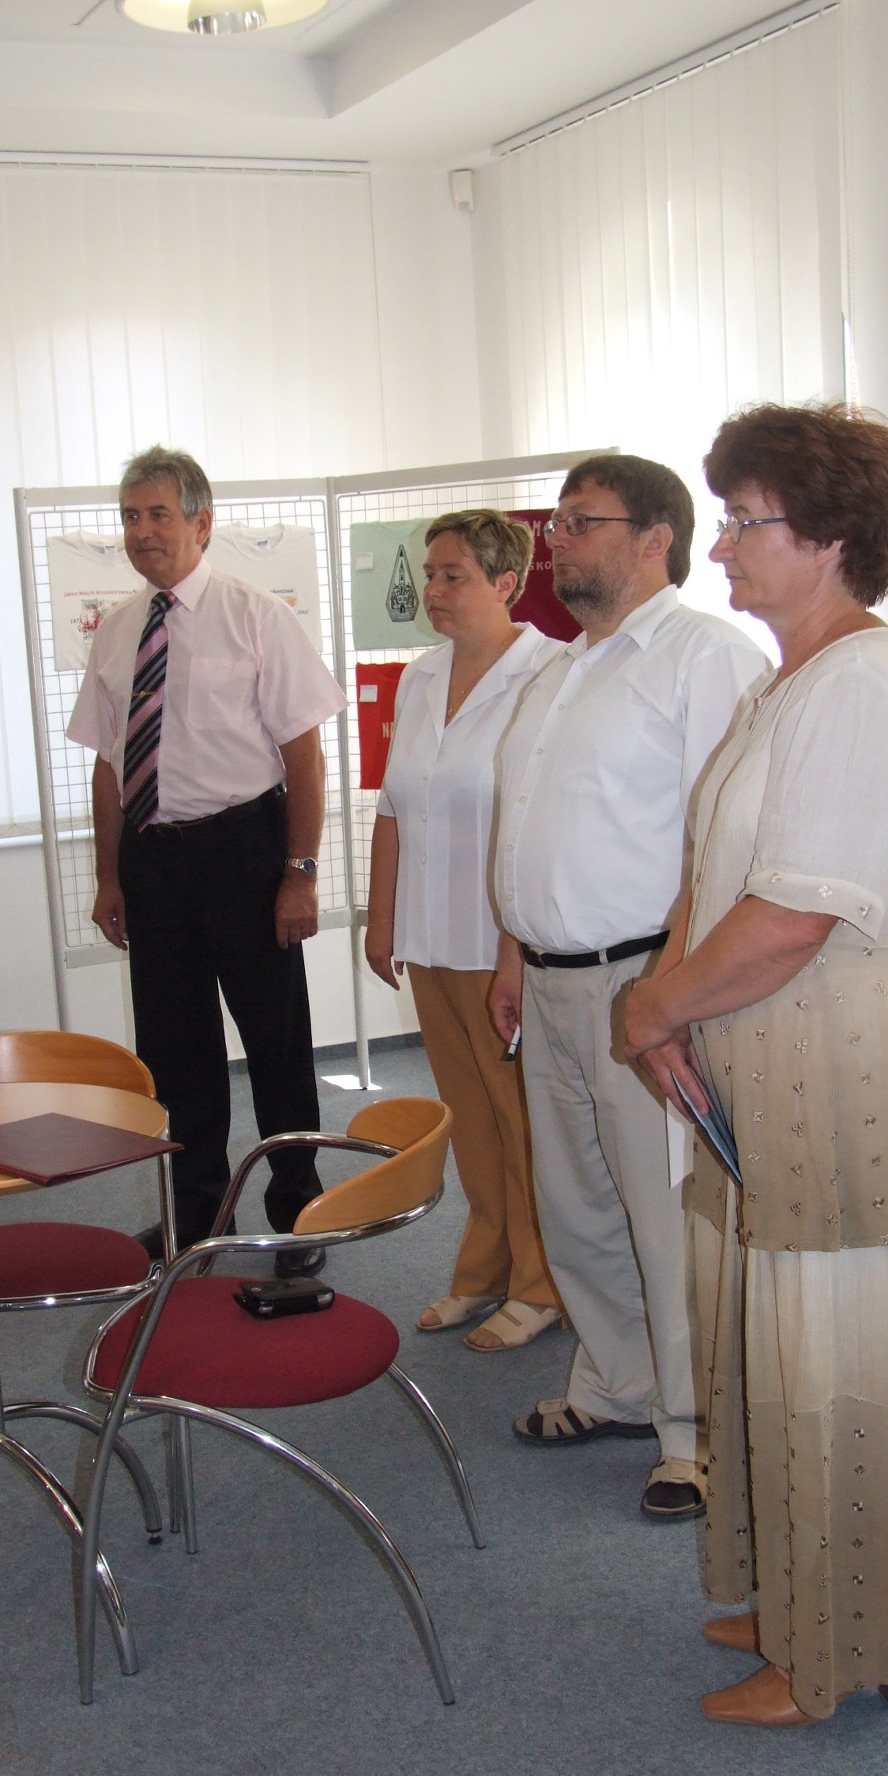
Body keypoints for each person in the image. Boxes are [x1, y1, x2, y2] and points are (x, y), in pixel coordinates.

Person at [623, 402, 888, 1724]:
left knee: (840, 1370)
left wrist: (652, 1006)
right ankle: (797, 1605)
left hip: (833, 1073)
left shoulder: (861, 686)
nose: (718, 547)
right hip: (758, 1065)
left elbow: (791, 918)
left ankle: (833, 1656)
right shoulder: (792, 679)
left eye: (742, 521)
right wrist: (674, 1006)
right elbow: (718, 880)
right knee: (771, 1360)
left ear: (824, 536)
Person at [489, 454, 768, 1518]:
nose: (556, 540)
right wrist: (513, 953)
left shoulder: (707, 658)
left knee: (666, 1214)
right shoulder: (559, 669)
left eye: (581, 521)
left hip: (648, 979)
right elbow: (530, 825)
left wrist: (677, 993)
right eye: (557, 523)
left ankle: (693, 1435)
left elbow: (722, 842)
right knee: (578, 1207)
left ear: (656, 539)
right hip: (550, 980)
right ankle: (613, 1384)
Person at [67, 446, 346, 1265]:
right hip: (153, 859)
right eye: (130, 517)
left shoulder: (255, 615)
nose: (142, 532)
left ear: (202, 523)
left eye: (159, 515)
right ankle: (195, 1218)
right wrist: (109, 876)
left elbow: (305, 757)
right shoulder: (119, 629)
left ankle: (297, 1213)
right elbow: (109, 764)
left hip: (245, 850)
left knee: (276, 1044)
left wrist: (299, 874)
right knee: (174, 1054)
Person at [364, 510, 565, 1351]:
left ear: (507, 583)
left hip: (502, 943)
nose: (434, 591)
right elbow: (393, 805)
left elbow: (544, 823)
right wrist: (381, 921)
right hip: (431, 936)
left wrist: (516, 947)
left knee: (523, 1122)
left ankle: (543, 1284)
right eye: (429, 574)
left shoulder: (551, 674)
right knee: (470, 1117)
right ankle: (483, 1271)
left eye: (454, 576)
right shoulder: (420, 678)